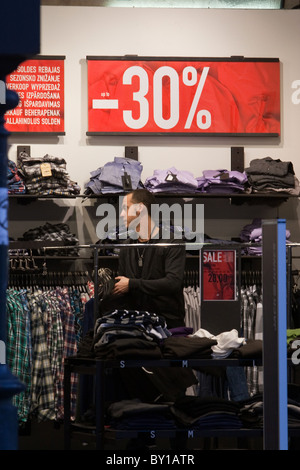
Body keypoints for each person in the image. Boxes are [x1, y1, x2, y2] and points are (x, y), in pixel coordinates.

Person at [102, 188, 187, 329]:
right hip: (136, 325)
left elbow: (173, 283)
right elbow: (123, 286)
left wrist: (132, 284)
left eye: (125, 208)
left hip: (168, 326)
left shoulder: (171, 243)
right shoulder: (126, 247)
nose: (122, 214)